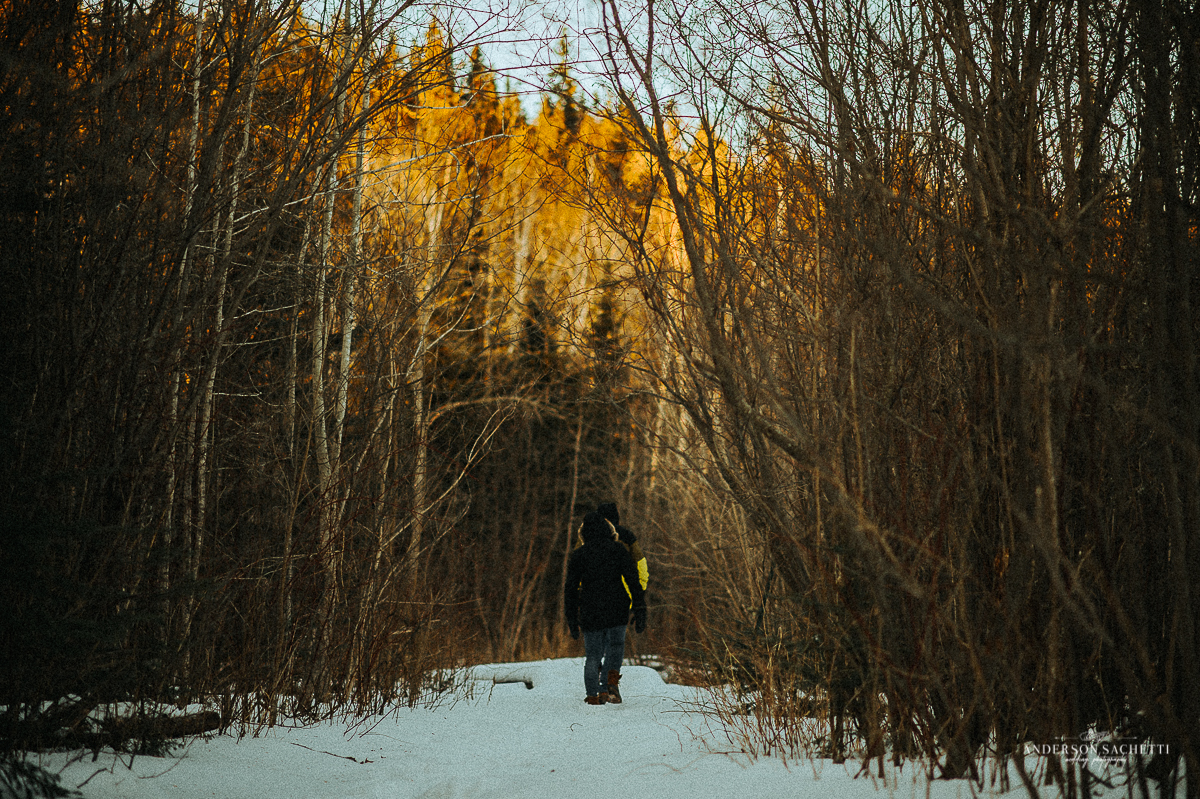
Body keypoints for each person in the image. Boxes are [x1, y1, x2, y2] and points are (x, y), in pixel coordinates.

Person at [564, 511, 647, 705]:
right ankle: (610, 686)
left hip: (589, 610)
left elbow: (570, 590)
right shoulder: (618, 550)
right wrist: (640, 608)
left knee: (593, 654)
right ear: (608, 530)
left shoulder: (579, 555)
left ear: (583, 533)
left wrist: (572, 619)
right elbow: (633, 580)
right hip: (617, 607)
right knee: (615, 646)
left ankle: (593, 695)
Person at [596, 502, 648, 593]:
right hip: (625, 592)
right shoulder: (627, 536)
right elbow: (640, 562)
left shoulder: (590, 537)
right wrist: (641, 586)